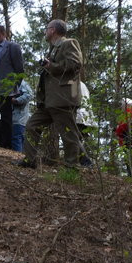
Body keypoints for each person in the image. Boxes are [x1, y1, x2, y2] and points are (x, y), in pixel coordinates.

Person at [19, 19, 85, 169]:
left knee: (69, 134)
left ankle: (72, 166)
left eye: (47, 28)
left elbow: (75, 64)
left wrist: (51, 66)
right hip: (48, 101)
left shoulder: (69, 43)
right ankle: (30, 160)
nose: (45, 31)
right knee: (31, 126)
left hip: (63, 99)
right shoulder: (54, 48)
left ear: (53, 30)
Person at [0, 24, 24, 147]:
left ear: (3, 34)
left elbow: (19, 69)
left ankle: (6, 145)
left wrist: (13, 86)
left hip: (5, 86)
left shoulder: (12, 47)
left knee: (6, 115)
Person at [115, 97, 132, 176]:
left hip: (130, 138)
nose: (121, 107)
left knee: (131, 157)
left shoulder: (130, 112)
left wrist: (117, 130)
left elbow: (124, 125)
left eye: (123, 105)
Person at [76, 80, 96, 167]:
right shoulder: (82, 84)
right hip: (86, 117)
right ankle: (82, 162)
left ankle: (86, 162)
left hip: (79, 116)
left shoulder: (73, 82)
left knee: (74, 138)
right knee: (77, 139)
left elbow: (74, 100)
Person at [10, 78, 32, 152]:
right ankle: (21, 158)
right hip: (12, 117)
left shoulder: (22, 83)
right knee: (18, 139)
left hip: (20, 117)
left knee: (17, 138)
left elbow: (29, 94)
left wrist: (17, 100)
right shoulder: (8, 82)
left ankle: (17, 158)